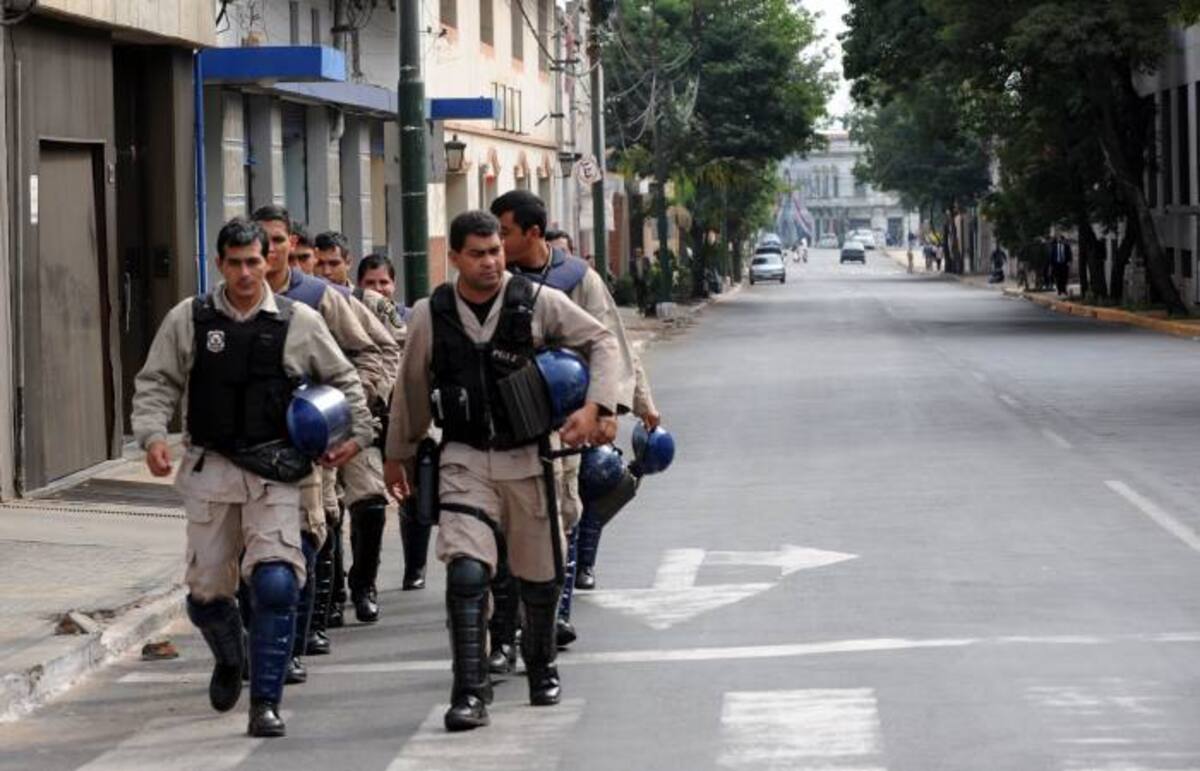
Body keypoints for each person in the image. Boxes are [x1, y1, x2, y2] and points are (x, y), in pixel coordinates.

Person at [131, 217, 374, 737]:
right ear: (220, 264)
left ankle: (266, 701)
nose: (245, 273)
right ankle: (230, 656)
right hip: (211, 469)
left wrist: (357, 435)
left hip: (276, 471)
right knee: (206, 596)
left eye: (254, 262)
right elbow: (157, 381)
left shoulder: (299, 321)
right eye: (235, 263)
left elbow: (344, 380)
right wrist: (152, 437)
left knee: (276, 582)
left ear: (270, 261)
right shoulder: (190, 318)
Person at [384, 210, 622, 732]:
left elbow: (602, 341)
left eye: (495, 251)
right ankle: (469, 692)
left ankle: (541, 666)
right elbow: (411, 386)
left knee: (540, 577)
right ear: (455, 257)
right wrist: (397, 455)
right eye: (477, 254)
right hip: (464, 458)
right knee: (467, 571)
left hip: (528, 456)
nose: (490, 262)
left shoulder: (535, 301)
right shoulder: (431, 312)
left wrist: (597, 406)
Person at [490, 189, 655, 650]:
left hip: (561, 417)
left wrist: (610, 408)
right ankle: (506, 622)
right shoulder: (489, 278)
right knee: (502, 526)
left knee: (561, 513)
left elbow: (609, 344)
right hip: (502, 421)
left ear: (533, 233)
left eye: (504, 233)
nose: (495, 243)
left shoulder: (578, 279)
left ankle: (553, 616)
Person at [253, 206, 390, 669]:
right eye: (260, 241)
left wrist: (346, 408)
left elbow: (371, 352)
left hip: (312, 439)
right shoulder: (227, 303)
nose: (268, 250)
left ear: (292, 244)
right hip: (249, 447)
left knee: (315, 527)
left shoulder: (319, 297)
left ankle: (308, 627)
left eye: (278, 240)